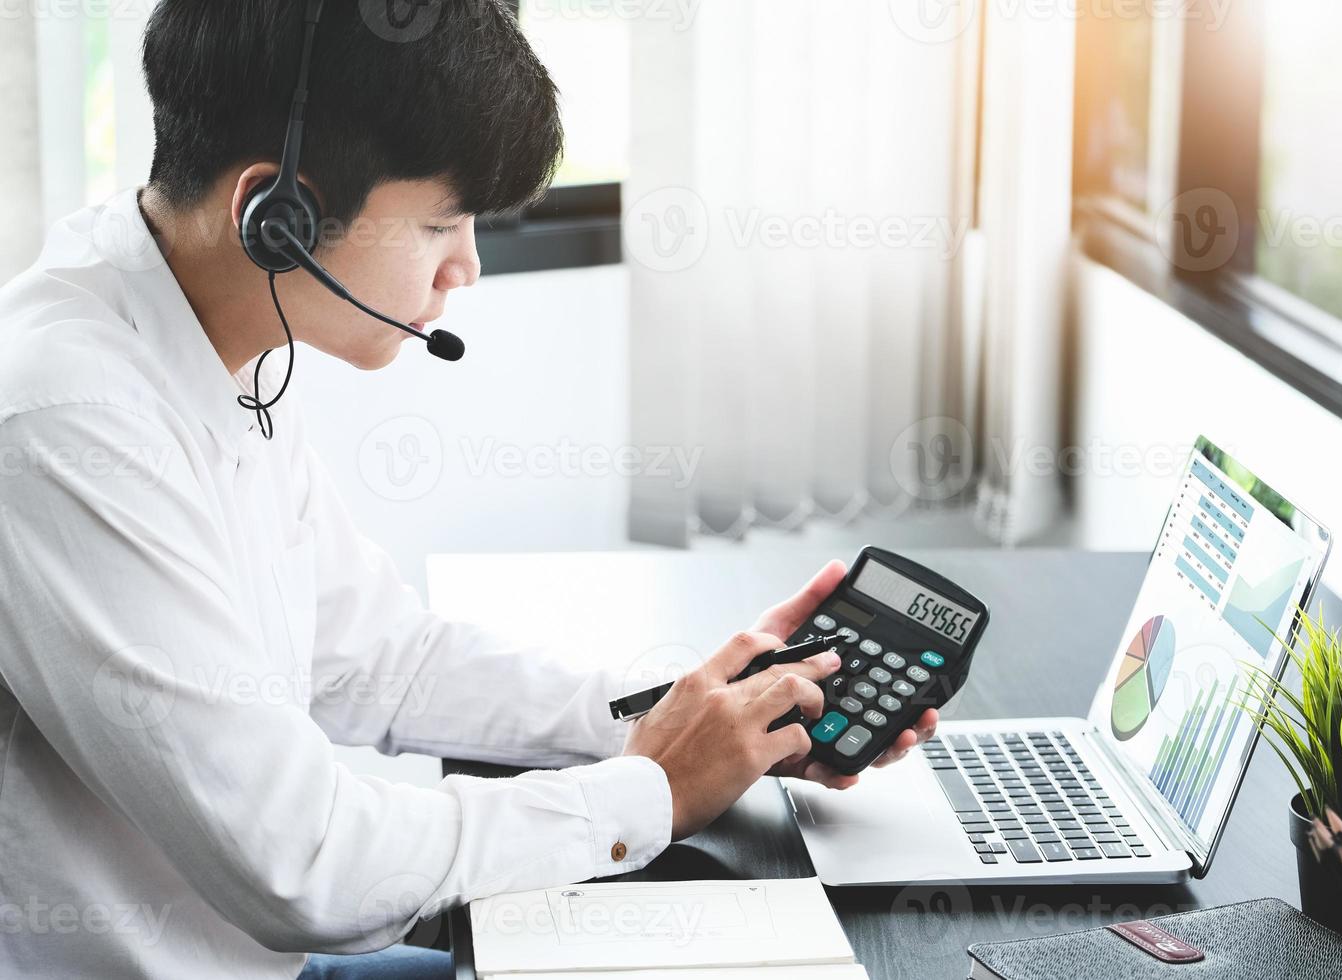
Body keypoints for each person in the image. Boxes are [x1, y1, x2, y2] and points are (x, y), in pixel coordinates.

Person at [0, 3, 938, 977]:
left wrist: (698, 716)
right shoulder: (65, 420)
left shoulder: (205, 330)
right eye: (442, 221)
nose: (468, 266)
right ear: (274, 216)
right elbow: (303, 861)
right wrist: (652, 789)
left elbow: (377, 661)